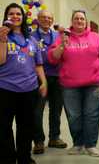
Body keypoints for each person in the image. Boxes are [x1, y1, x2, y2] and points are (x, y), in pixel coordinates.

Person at [48, 10, 99, 157]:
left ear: (86, 21)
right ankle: (78, 144)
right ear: (72, 21)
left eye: (82, 18)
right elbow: (53, 59)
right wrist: (62, 45)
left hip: (94, 83)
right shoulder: (62, 37)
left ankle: (90, 145)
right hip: (69, 85)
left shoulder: (95, 38)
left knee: (92, 114)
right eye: (76, 18)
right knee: (74, 116)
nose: (79, 21)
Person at [0, 3, 47, 164]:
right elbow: (1, 60)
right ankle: (8, 158)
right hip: (5, 89)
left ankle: (24, 157)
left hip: (29, 89)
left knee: (26, 127)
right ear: (6, 17)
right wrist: (2, 40)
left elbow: (38, 64)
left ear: (23, 17)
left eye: (18, 14)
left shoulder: (31, 39)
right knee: (4, 127)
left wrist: (44, 82)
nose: (15, 16)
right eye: (11, 14)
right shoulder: (1, 36)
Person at [31, 10, 67, 154]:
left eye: (49, 18)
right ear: (37, 19)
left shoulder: (58, 36)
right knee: (37, 111)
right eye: (43, 17)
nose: (46, 20)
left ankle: (54, 137)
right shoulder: (31, 36)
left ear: (52, 21)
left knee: (56, 110)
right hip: (39, 77)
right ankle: (38, 141)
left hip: (57, 76)